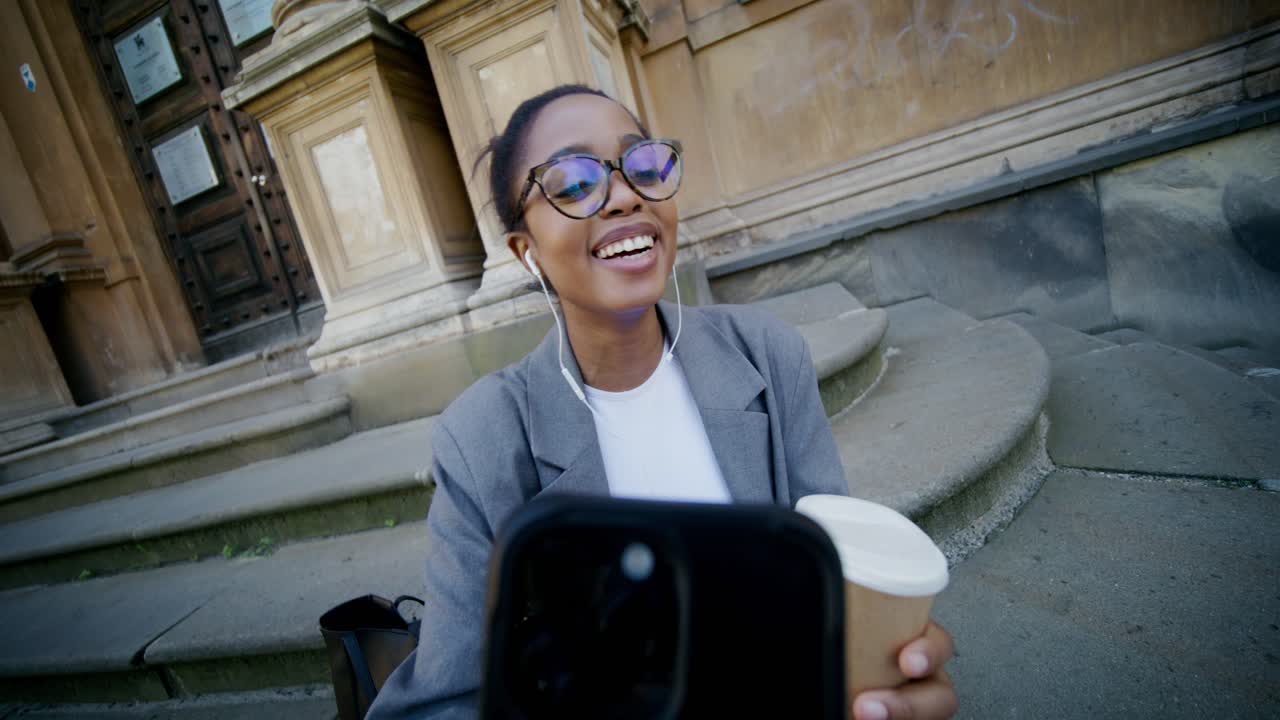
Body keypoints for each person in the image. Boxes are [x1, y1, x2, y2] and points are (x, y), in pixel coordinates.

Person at [368, 84, 957, 720]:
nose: (626, 196)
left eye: (643, 165)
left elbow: (834, 582)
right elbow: (444, 703)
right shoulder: (482, 438)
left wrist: (879, 671)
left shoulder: (768, 355)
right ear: (526, 251)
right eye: (573, 183)